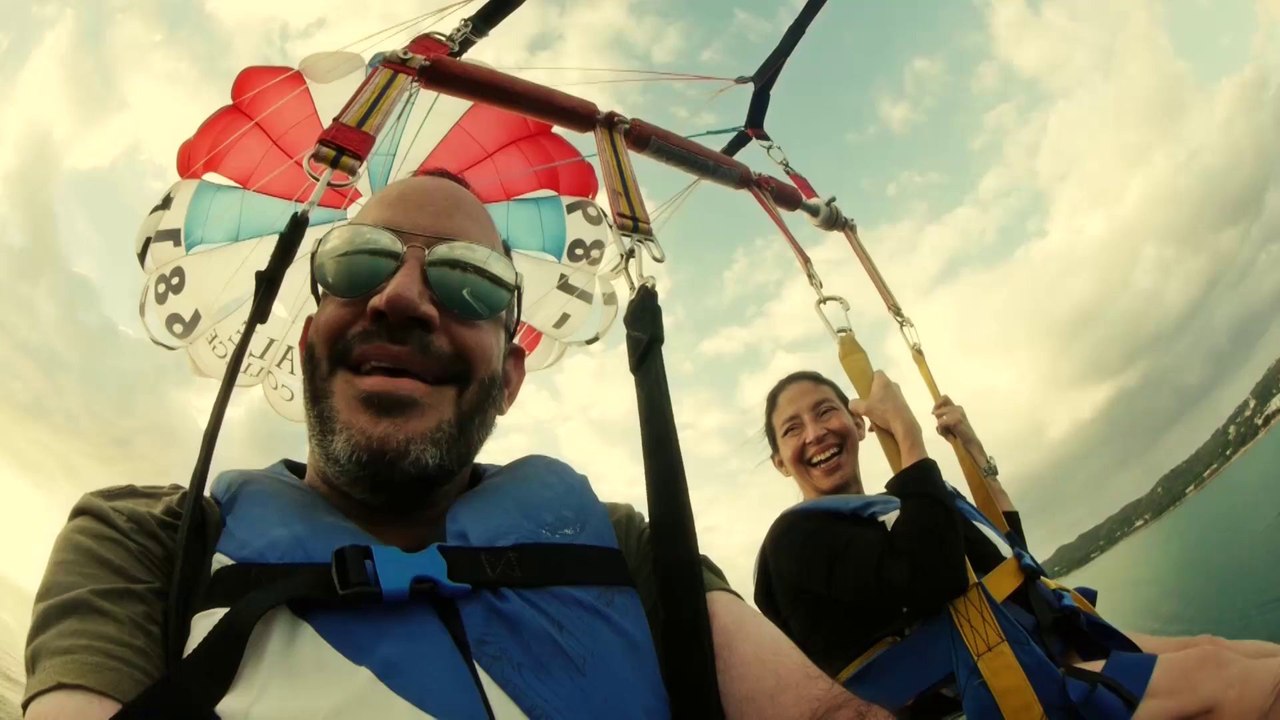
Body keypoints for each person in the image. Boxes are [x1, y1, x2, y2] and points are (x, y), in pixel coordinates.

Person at [21, 173, 896, 720]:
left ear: (511, 381)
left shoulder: (623, 544)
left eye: (467, 282)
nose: (402, 298)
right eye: (361, 262)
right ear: (307, 341)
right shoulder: (145, 543)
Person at [754, 368, 1280, 719]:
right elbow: (929, 581)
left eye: (826, 412)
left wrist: (971, 450)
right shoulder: (795, 541)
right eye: (792, 428)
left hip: (1033, 657)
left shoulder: (892, 515)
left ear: (856, 425)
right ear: (780, 462)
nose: (815, 432)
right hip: (999, 697)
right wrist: (909, 436)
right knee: (1227, 681)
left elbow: (1010, 560)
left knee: (1215, 647)